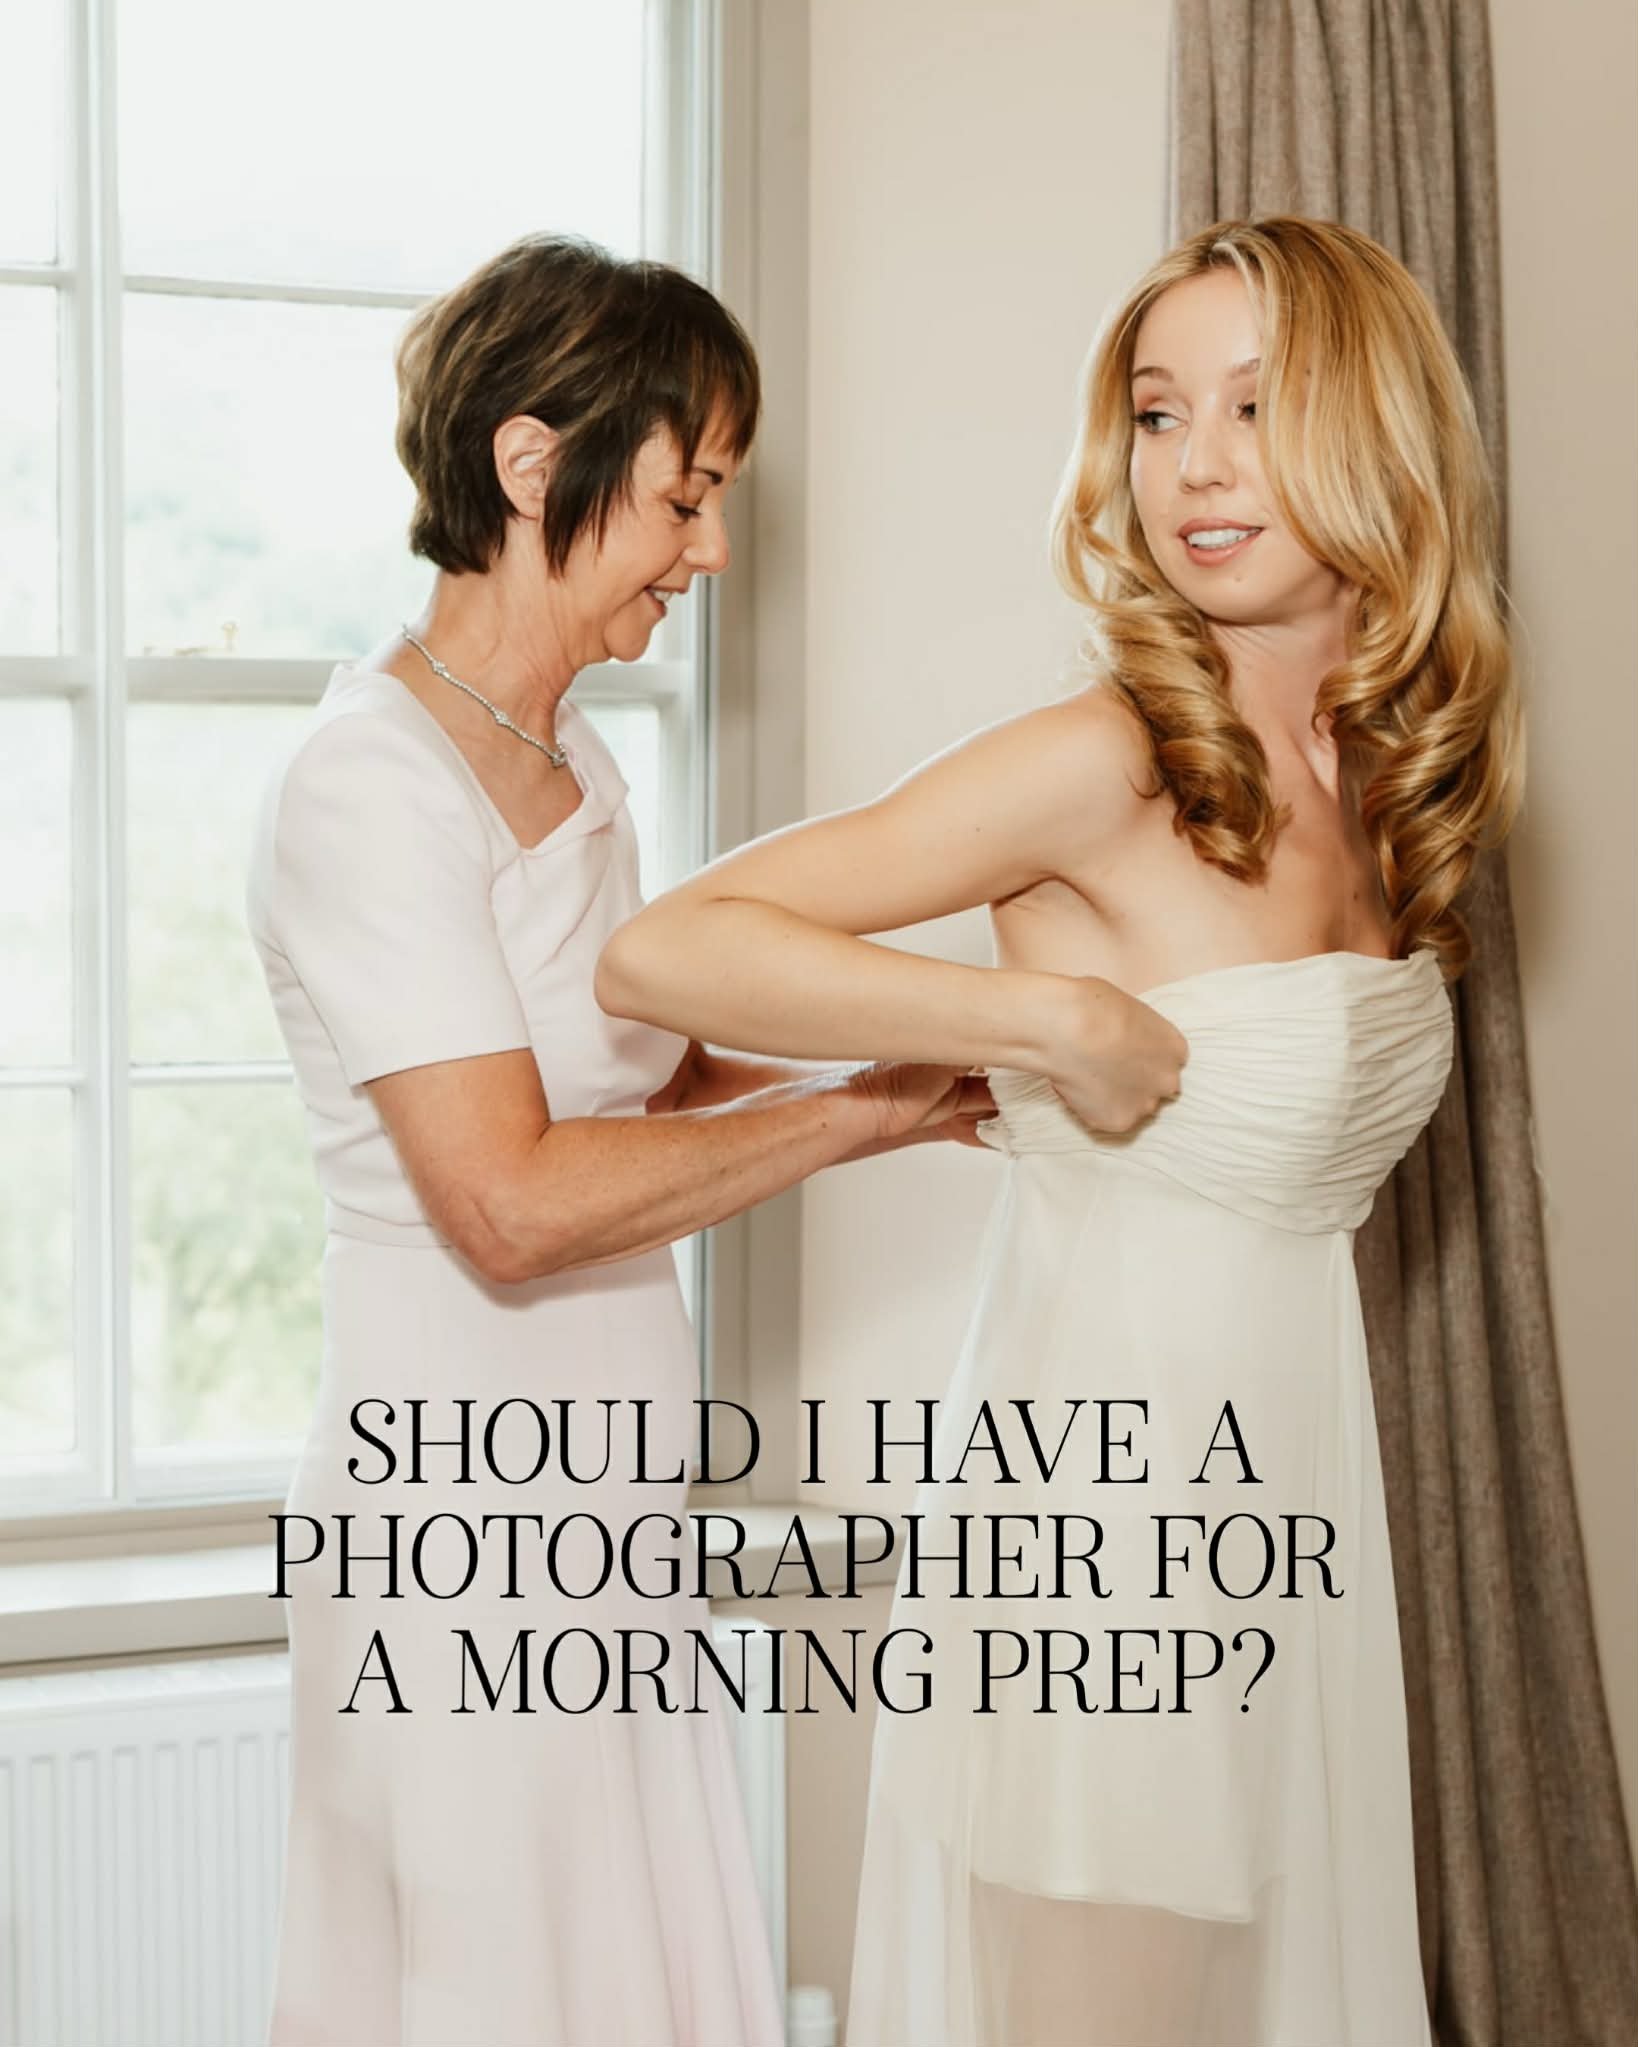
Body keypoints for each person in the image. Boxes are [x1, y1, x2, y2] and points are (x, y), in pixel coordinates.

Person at [595, 216, 1522, 2046]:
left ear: (1381, 434)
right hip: (1101, 1507)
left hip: (1286, 1496)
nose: (1193, 464)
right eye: (1159, 412)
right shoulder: (1101, 762)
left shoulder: (1401, 790)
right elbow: (665, 948)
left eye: (1254, 407)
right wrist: (1033, 1019)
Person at [244, 232, 997, 2047]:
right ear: (530, 464)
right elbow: (506, 1203)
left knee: (624, 1973)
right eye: (688, 494)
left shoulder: (585, 769)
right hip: (456, 1498)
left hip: (609, 1498)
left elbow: (641, 1096)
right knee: (486, 1983)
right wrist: (845, 1113)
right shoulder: (366, 788)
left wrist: (932, 1074)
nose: (713, 550)